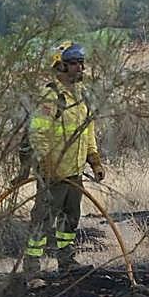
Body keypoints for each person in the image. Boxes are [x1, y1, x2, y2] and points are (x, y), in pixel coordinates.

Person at [18, 41, 104, 276]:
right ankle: (32, 269)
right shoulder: (51, 97)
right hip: (53, 173)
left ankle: (66, 262)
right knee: (42, 221)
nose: (80, 68)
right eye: (74, 63)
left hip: (74, 172)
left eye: (81, 63)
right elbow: (38, 133)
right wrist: (47, 164)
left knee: (70, 219)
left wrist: (94, 160)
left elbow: (88, 132)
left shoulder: (82, 97)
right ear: (60, 66)